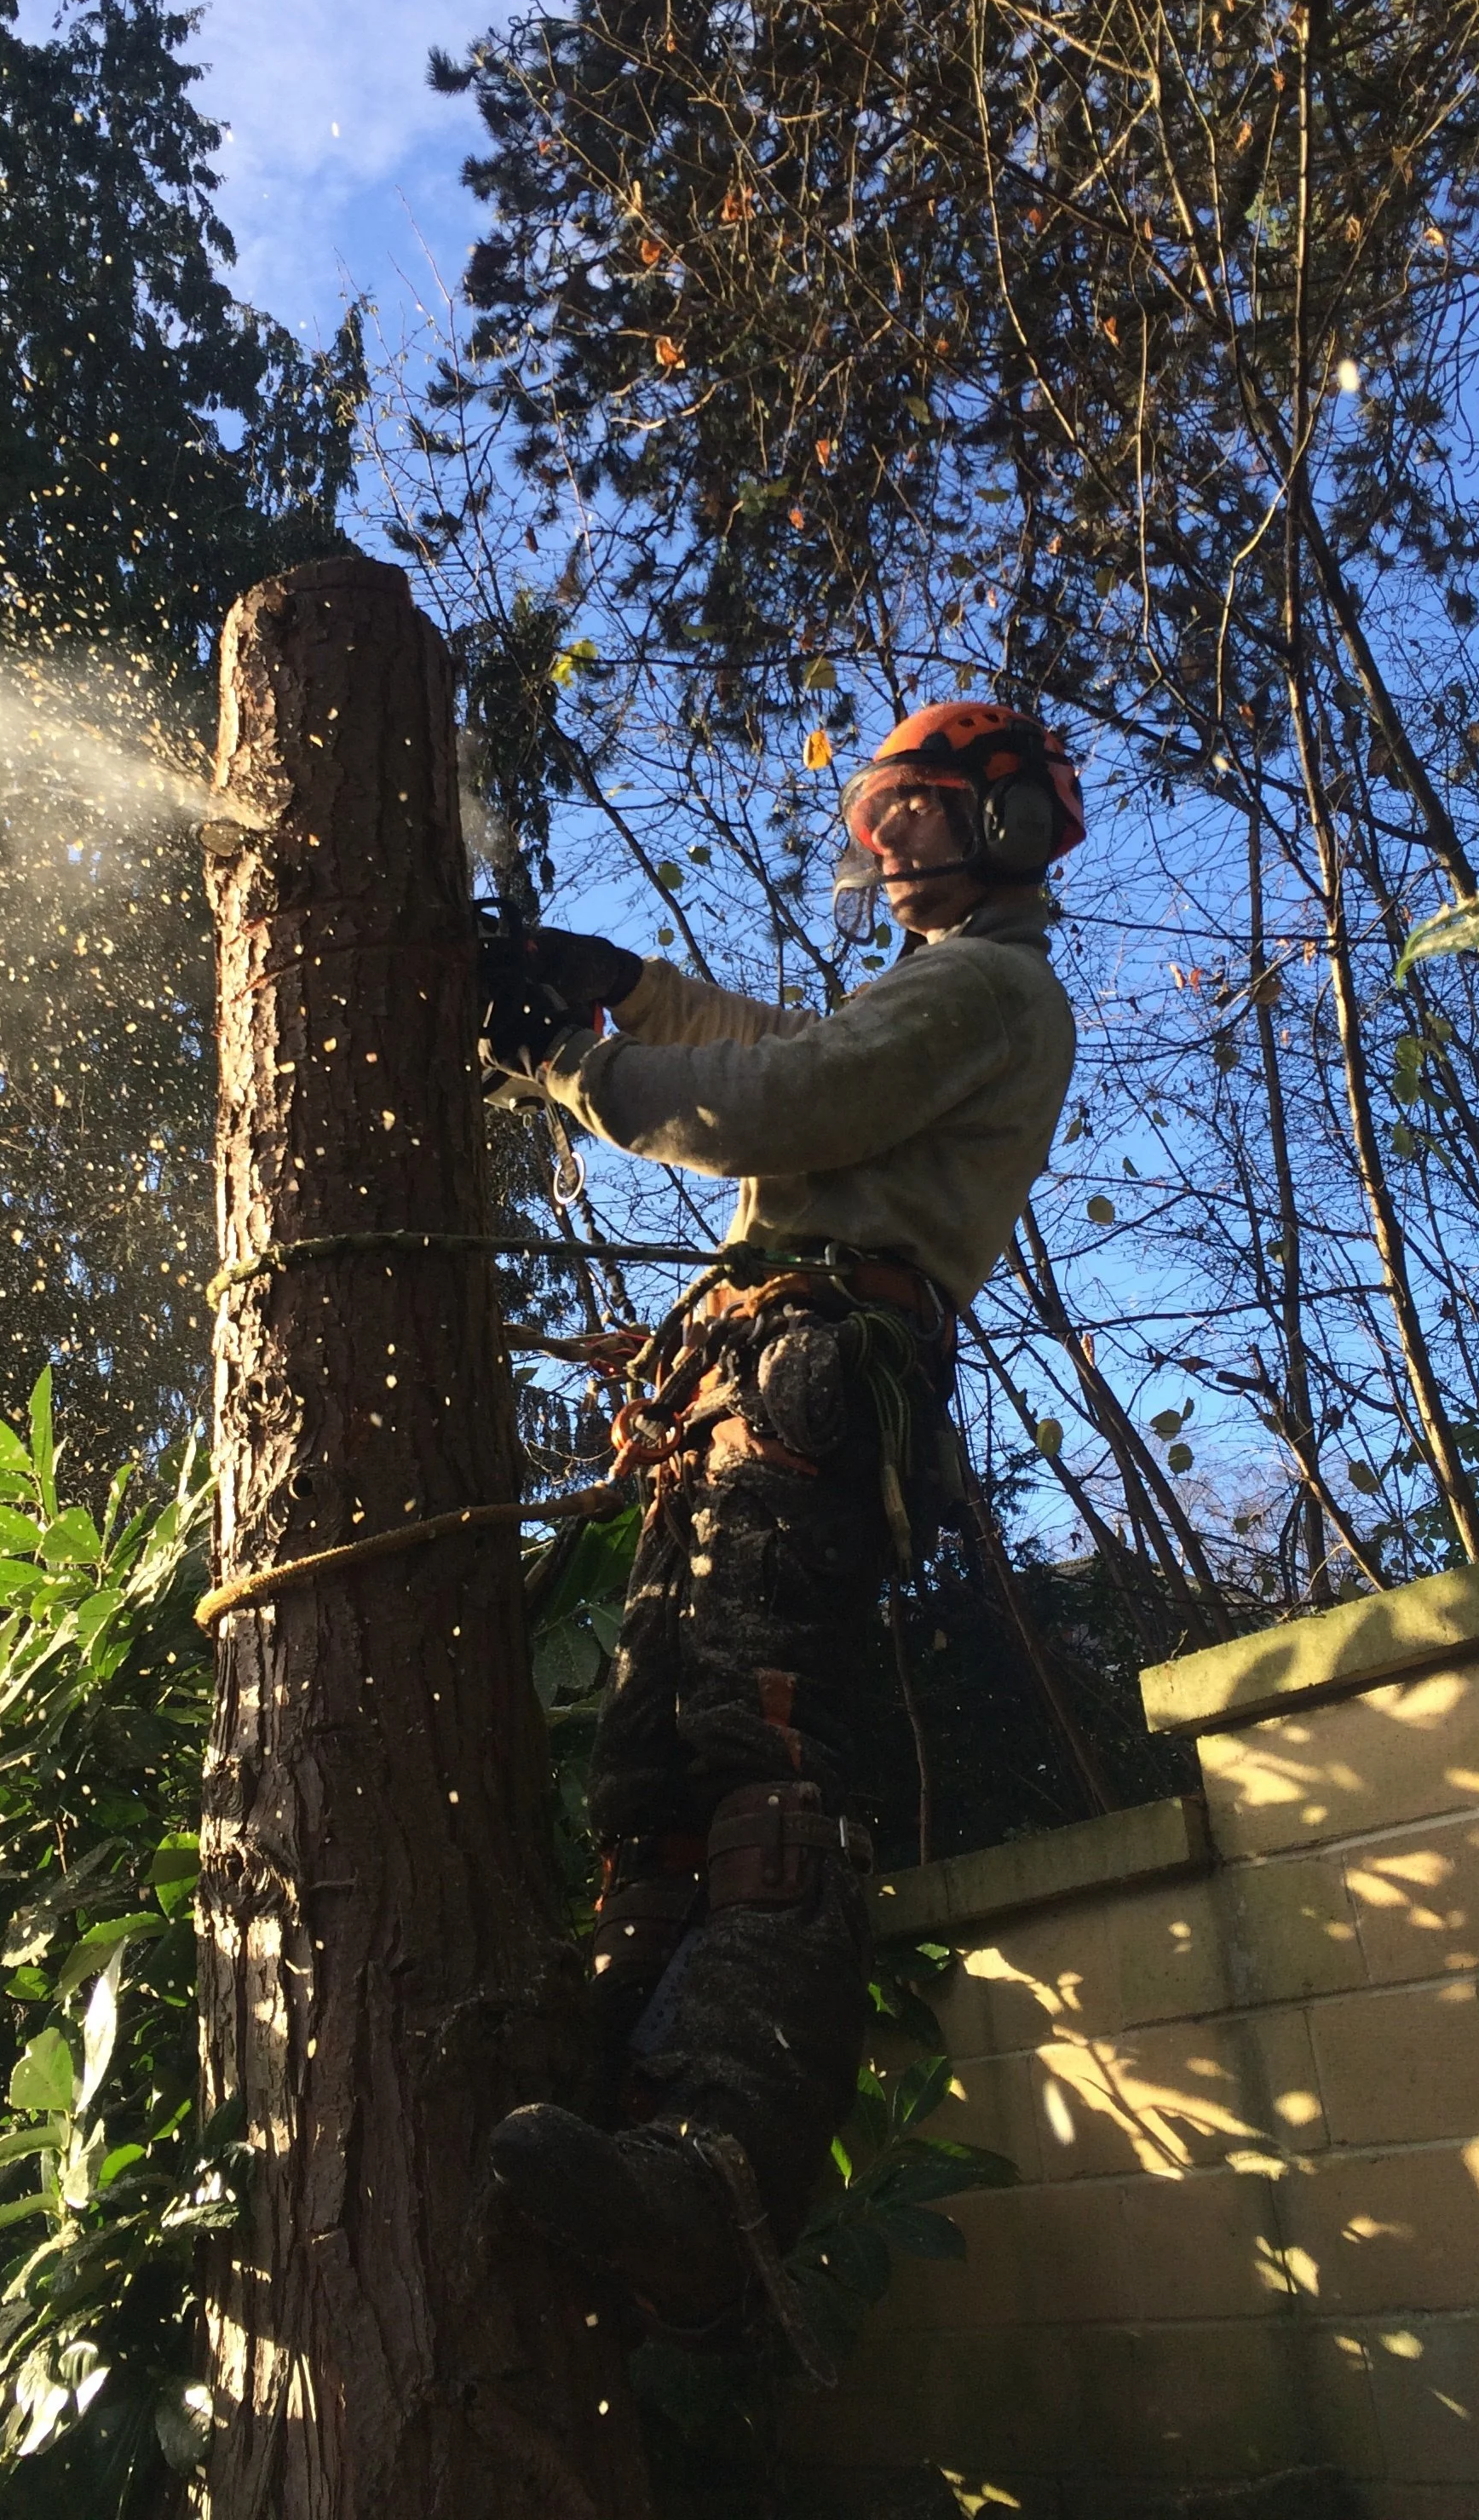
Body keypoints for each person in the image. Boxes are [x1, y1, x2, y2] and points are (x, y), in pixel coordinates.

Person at [476, 699, 1083, 2354]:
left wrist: (568, 1061)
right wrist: (624, 983)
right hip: (738, 1383)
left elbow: (776, 1107)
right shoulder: (936, 991)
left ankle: (719, 2174)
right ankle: (612, 2123)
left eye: (916, 813)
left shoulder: (991, 987)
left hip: (817, 1370)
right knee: (655, 1780)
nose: (882, 841)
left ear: (1011, 824)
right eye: (873, 811)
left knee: (763, 1764)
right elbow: (775, 1059)